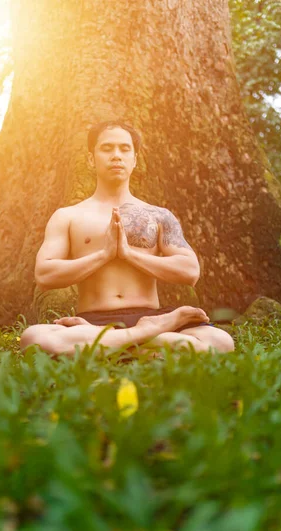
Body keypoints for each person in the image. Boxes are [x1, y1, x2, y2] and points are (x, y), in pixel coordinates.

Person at [20, 120, 235, 357]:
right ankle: (146, 338)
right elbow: (44, 275)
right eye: (106, 148)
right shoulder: (67, 216)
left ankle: (114, 344)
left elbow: (189, 271)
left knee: (220, 340)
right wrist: (104, 254)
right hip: (94, 319)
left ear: (135, 159)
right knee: (34, 338)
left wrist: (129, 254)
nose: (116, 156)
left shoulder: (159, 216)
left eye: (124, 149)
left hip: (144, 316)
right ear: (91, 159)